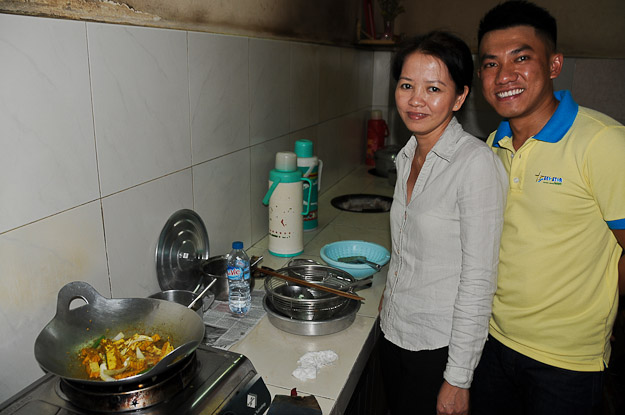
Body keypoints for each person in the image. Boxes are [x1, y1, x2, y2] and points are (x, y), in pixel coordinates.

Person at [470, 2, 625, 415]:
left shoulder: (603, 142)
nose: (504, 76)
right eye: (490, 64)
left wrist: (594, 307)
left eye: (521, 58)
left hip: (566, 365)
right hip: (492, 344)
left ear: (554, 65)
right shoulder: (493, 145)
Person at [378, 31, 508, 415]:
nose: (416, 100)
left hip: (438, 348)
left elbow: (479, 279)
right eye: (406, 85)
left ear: (460, 97)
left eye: (433, 88)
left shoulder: (475, 164)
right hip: (394, 331)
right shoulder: (408, 155)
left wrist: (458, 378)